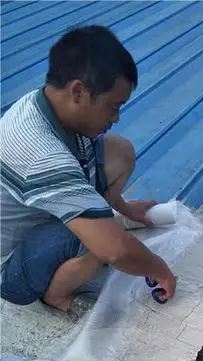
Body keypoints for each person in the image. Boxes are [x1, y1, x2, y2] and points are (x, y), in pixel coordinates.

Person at [0, 25, 176, 315]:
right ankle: (56, 294)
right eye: (113, 106)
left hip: (42, 220)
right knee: (103, 241)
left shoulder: (50, 105)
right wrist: (159, 268)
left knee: (120, 151)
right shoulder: (40, 153)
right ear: (78, 91)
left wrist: (125, 208)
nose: (116, 118)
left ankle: (86, 233)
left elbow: (96, 163)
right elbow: (115, 249)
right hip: (12, 269)